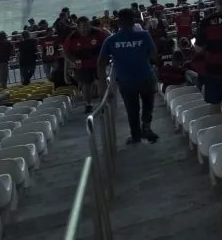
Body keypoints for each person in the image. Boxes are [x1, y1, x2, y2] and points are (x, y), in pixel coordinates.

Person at [98, 8, 159, 145]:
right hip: (145, 76)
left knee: (132, 109)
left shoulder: (111, 40)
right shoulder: (144, 35)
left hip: (126, 81)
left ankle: (136, 136)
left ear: (118, 23)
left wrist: (103, 83)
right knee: (148, 104)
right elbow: (154, 55)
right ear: (133, 22)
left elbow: (101, 63)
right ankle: (146, 127)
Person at [63, 17, 108, 113]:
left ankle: (103, 103)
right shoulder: (72, 38)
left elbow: (108, 43)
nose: (85, 29)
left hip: (98, 64)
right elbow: (66, 52)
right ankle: (88, 104)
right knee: (87, 85)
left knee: (101, 83)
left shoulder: (98, 33)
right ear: (78, 27)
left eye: (87, 26)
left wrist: (106, 58)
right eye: (83, 27)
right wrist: (73, 62)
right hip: (82, 66)